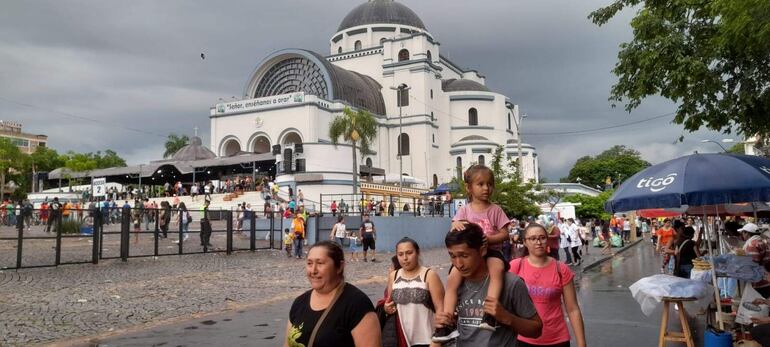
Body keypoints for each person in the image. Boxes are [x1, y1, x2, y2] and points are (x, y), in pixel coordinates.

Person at [435, 165, 511, 342]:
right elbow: (455, 225)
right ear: (469, 187)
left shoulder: (495, 210)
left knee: (497, 269)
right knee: (453, 276)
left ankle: (490, 313)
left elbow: (505, 233)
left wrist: (489, 239)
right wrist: (455, 225)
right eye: (481, 184)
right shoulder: (464, 210)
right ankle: (447, 322)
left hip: (491, 252)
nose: (486, 188)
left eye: (490, 184)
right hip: (470, 255)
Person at [434, 223, 542, 345]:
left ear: (482, 250)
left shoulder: (512, 283)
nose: (458, 264)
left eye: (465, 256)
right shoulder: (456, 282)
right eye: (452, 256)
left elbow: (537, 329)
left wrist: (507, 318)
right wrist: (446, 321)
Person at [285, 241, 380, 347]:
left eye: (320, 263)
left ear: (339, 267)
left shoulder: (357, 305)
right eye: (309, 263)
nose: (313, 270)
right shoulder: (299, 303)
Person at [509, 223, 587, 347]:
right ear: (524, 242)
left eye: (542, 238)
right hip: (523, 338)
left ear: (547, 240)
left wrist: (582, 343)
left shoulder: (561, 269)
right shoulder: (515, 266)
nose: (538, 242)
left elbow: (572, 309)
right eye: (533, 238)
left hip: (557, 339)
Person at [385, 238, 445, 347]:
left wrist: (438, 339)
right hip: (402, 339)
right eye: (400, 254)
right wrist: (387, 308)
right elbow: (390, 303)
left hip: (428, 339)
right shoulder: (393, 276)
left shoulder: (429, 275)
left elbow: (441, 309)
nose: (405, 258)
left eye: (409, 253)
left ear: (418, 253)